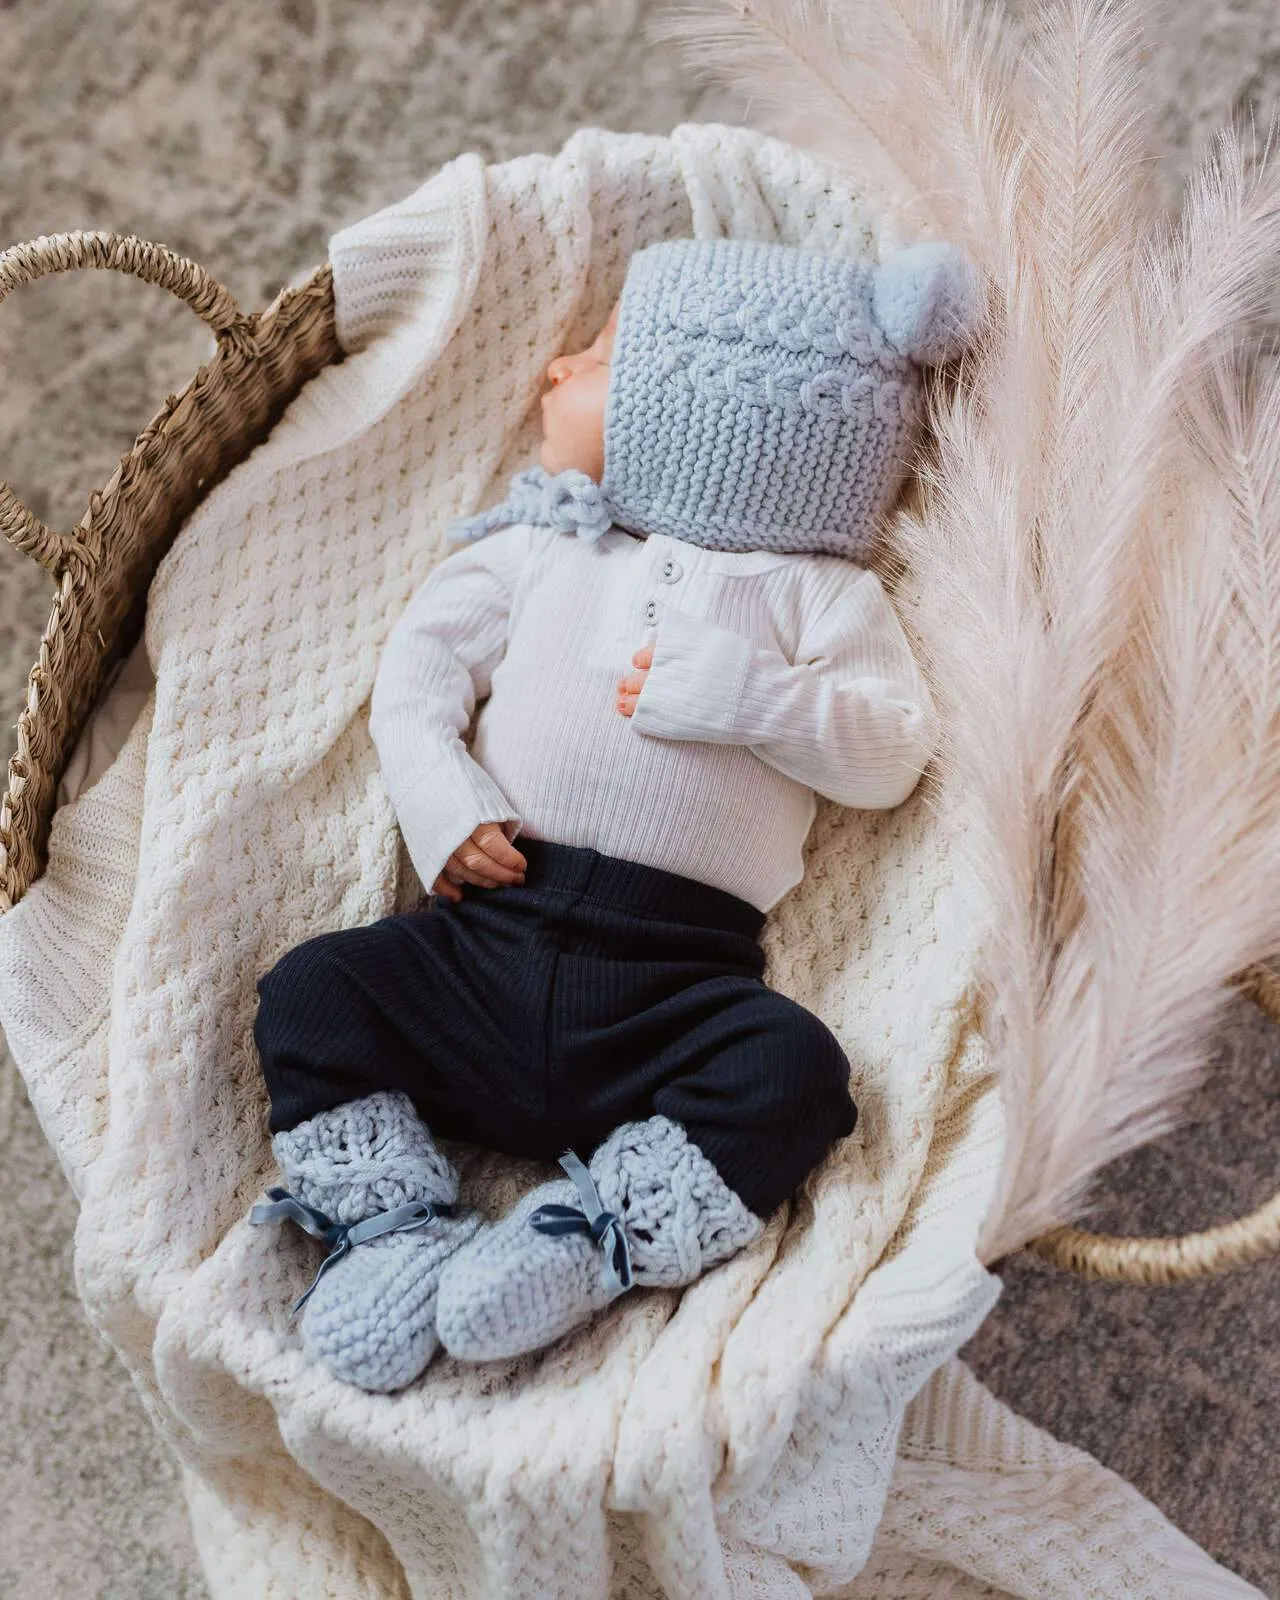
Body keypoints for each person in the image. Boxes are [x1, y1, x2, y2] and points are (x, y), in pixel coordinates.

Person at [249, 235, 978, 1393]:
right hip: (482, 934)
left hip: (674, 994)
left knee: (796, 1073)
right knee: (312, 991)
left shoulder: (813, 594)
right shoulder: (542, 546)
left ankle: (593, 1237)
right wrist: (445, 812)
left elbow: (890, 747)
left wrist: (752, 697)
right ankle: (390, 1229)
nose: (550, 369)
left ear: (709, 414)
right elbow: (417, 681)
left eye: (595, 355)